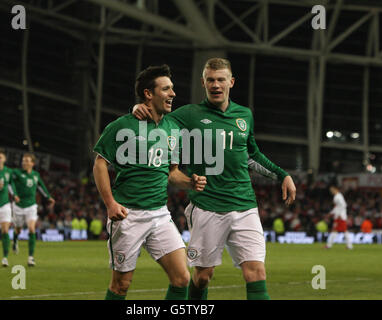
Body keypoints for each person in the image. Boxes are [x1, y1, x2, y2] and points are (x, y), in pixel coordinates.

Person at [133, 58, 296, 300]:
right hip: (207, 206)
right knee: (203, 276)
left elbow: (252, 154)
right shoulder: (188, 115)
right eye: (210, 80)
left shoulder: (244, 115)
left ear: (231, 82)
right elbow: (157, 121)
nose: (216, 84)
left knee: (256, 272)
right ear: (203, 83)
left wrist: (282, 175)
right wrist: (138, 109)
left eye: (221, 79)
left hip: (245, 205)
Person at [93, 64, 207, 300]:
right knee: (121, 285)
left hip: (159, 216)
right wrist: (110, 204)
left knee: (182, 278)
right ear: (148, 93)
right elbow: (100, 164)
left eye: (172, 89)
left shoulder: (173, 129)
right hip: (128, 215)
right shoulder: (122, 126)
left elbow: (172, 173)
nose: (173, 94)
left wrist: (190, 182)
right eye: (166, 89)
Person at [11, 153, 55, 266]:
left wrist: (48, 197)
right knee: (18, 229)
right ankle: (15, 240)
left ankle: (31, 257)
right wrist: (14, 194)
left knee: (31, 228)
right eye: (23, 160)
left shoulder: (36, 175)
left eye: (27, 161)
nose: (24, 163)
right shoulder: (16, 173)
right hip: (18, 205)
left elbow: (41, 186)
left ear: (32, 163)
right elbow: (11, 184)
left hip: (31, 206)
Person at [325, 185, 353, 250]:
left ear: (336, 189)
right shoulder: (337, 196)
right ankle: (349, 246)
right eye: (331, 191)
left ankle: (329, 245)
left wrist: (340, 214)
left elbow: (344, 205)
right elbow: (337, 207)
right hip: (339, 216)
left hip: (340, 217)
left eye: (332, 190)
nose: (332, 192)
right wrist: (331, 213)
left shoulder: (338, 196)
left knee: (342, 231)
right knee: (338, 231)